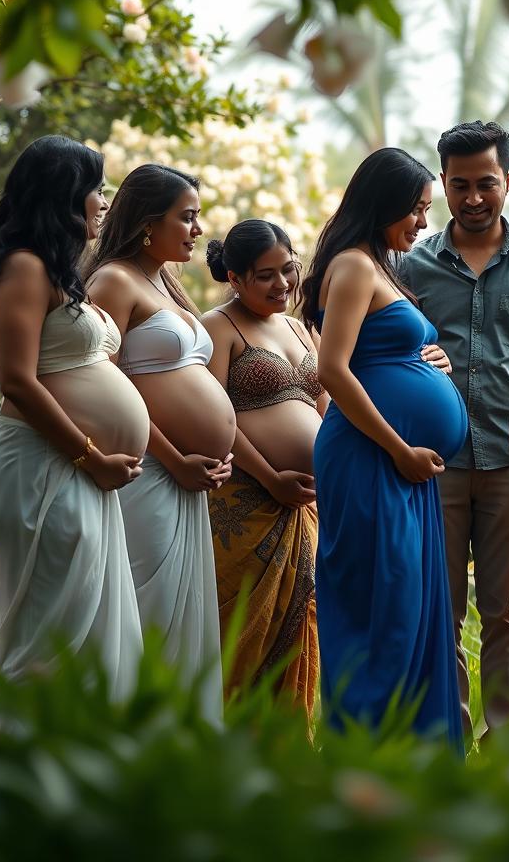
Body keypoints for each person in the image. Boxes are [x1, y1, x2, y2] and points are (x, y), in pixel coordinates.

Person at [399, 120, 509, 740]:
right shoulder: (409, 267)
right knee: (436, 615)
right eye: (460, 185)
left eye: (487, 184)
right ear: (443, 183)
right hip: (432, 463)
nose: (474, 198)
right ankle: (445, 741)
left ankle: (503, 746)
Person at [301, 147, 467, 750]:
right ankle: (368, 756)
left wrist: (430, 361)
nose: (423, 223)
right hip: (371, 457)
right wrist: (400, 448)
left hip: (403, 464)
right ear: (385, 202)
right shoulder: (352, 266)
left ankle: (413, 756)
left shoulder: (380, 266)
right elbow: (333, 370)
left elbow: (383, 352)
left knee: (412, 604)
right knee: (384, 605)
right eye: (418, 209)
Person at [0, 136, 147, 697]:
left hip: (74, 469)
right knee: (49, 641)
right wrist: (90, 456)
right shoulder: (23, 266)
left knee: (87, 637)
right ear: (66, 195)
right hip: (43, 465)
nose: (104, 200)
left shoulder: (57, 270)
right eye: (96, 188)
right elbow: (17, 379)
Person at [87, 164, 235, 722]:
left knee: (184, 614)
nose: (198, 230)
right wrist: (175, 460)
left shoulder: (165, 282)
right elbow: (104, 386)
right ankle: (130, 736)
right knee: (148, 607)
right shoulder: (113, 282)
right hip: (148, 473)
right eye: (187, 218)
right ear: (150, 223)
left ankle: (175, 743)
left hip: (188, 481)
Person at [202, 220, 326, 723]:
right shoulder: (217, 328)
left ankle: (287, 754)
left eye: (289, 270)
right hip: (245, 503)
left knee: (302, 624)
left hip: (308, 507)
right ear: (234, 278)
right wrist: (270, 475)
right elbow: (214, 418)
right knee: (240, 627)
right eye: (265, 276)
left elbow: (325, 406)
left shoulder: (301, 326)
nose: (282, 285)